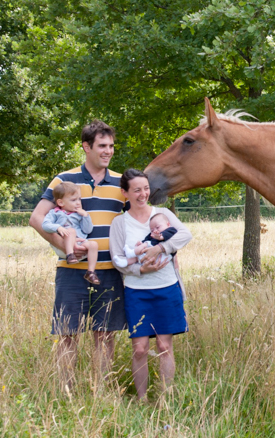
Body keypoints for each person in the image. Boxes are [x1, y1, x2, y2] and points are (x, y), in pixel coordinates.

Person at [29, 120, 127, 392]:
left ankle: (102, 391)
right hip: (71, 272)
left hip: (109, 271)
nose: (108, 151)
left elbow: (137, 221)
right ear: (86, 147)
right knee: (66, 334)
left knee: (105, 335)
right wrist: (63, 245)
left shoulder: (122, 183)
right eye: (102, 146)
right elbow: (36, 218)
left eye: (111, 146)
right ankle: (67, 392)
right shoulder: (64, 180)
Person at [110, 169, 192, 400]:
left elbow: (185, 235)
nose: (143, 194)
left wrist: (160, 248)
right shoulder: (119, 223)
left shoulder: (162, 214)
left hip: (166, 288)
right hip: (137, 292)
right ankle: (143, 398)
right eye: (136, 190)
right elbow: (117, 259)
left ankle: (165, 397)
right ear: (125, 193)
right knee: (140, 349)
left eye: (145, 188)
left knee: (164, 347)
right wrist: (141, 269)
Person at [41, 182, 101, 285]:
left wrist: (86, 216)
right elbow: (45, 225)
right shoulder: (54, 213)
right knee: (71, 230)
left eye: (79, 199)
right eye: (73, 200)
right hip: (64, 245)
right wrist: (58, 227)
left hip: (80, 242)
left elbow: (87, 230)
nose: (78, 203)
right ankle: (70, 255)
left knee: (93, 244)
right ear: (60, 202)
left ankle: (90, 272)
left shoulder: (78, 215)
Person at [113, 213, 177, 269]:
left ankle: (131, 252)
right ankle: (125, 262)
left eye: (157, 227)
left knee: (147, 244)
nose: (155, 230)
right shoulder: (153, 234)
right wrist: (141, 243)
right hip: (152, 258)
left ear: (168, 224)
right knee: (137, 258)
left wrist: (160, 237)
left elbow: (165, 236)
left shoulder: (171, 230)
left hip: (164, 257)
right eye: (152, 230)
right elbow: (147, 238)